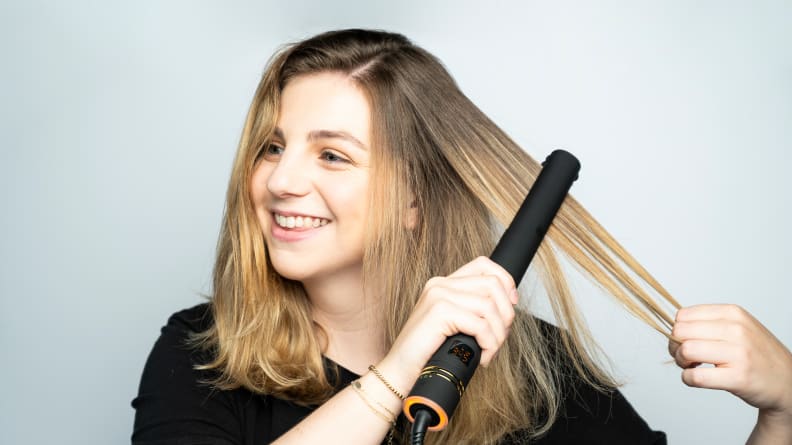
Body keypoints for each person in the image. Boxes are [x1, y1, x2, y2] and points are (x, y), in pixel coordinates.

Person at [131, 29, 792, 444]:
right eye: (272, 147)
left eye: (331, 155)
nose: (280, 181)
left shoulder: (539, 369)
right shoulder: (200, 355)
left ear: (415, 199)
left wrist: (784, 413)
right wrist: (396, 374)